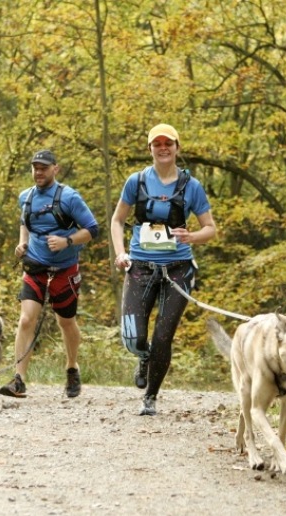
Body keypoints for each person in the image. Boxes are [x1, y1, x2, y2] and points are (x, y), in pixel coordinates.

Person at [110, 124, 217, 416]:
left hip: (178, 269)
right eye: (157, 144)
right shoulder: (137, 181)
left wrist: (192, 237)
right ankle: (143, 357)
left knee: (163, 336)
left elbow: (211, 228)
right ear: (150, 150)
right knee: (133, 336)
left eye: (168, 143)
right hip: (140, 266)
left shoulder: (190, 186)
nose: (163, 148)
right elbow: (117, 220)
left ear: (177, 147)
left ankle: (151, 396)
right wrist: (121, 253)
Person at [0, 149, 99, 400]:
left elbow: (92, 229)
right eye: (35, 167)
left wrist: (67, 241)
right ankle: (19, 379)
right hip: (35, 267)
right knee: (25, 320)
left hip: (65, 270)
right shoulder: (26, 197)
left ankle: (72, 367)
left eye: (44, 167)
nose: (39, 172)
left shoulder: (69, 198)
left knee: (65, 322)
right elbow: (25, 221)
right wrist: (22, 243)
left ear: (55, 168)